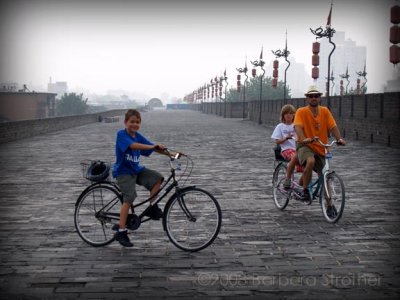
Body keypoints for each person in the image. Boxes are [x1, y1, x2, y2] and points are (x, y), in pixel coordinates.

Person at [112, 109, 168, 247]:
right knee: (129, 197)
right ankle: (121, 231)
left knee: (157, 178)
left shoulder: (138, 135)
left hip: (136, 170)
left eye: (137, 122)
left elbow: (153, 148)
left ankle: (151, 208)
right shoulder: (121, 135)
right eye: (132, 122)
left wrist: (172, 154)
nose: (135, 124)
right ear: (125, 122)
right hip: (124, 172)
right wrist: (152, 146)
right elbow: (133, 146)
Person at [294, 86, 346, 214]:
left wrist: (339, 139)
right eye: (311, 96)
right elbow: (298, 126)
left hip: (321, 147)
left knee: (325, 176)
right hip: (305, 145)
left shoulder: (325, 111)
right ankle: (305, 191)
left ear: (319, 98)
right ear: (307, 98)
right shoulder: (301, 111)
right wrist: (303, 138)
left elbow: (333, 126)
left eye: (316, 96)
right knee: (310, 161)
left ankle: (329, 206)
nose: (313, 98)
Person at [271, 104, 302, 189]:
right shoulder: (280, 126)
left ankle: (302, 184)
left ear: (294, 115)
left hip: (298, 149)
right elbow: (277, 141)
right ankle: (288, 178)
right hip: (286, 150)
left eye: (291, 113)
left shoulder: (297, 126)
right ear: (283, 115)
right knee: (294, 157)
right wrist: (285, 138)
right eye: (286, 113)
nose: (289, 115)